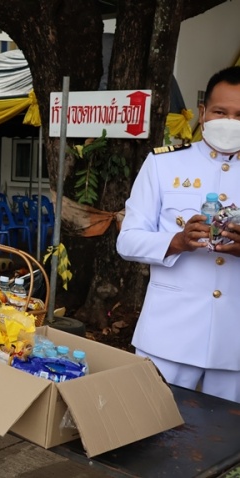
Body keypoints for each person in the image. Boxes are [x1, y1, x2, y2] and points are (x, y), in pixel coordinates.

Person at [117, 65, 240, 403]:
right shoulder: (164, 165)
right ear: (203, 112)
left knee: (228, 433)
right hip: (169, 335)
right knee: (149, 422)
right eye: (221, 112)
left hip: (234, 343)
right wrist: (176, 242)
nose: (230, 122)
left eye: (239, 115)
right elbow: (127, 239)